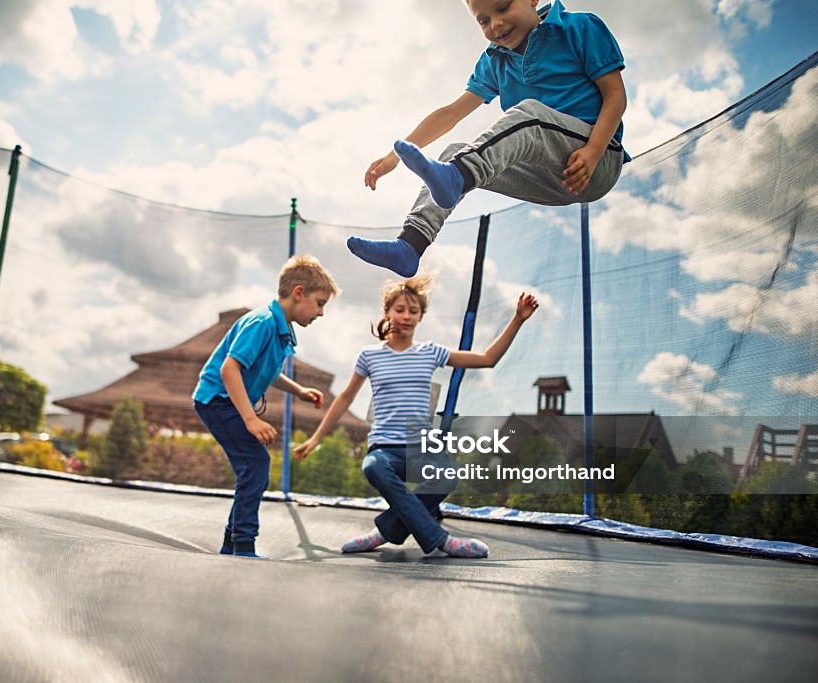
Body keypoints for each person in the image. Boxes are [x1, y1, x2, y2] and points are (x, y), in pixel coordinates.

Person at [348, 0, 629, 277]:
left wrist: (594, 150)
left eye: (504, 7)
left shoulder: (578, 27)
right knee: (454, 153)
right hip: (548, 179)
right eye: (483, 20)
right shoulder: (495, 60)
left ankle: (457, 176)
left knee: (528, 115)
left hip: (598, 160)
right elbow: (451, 113)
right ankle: (409, 246)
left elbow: (615, 95)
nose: (496, 24)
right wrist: (392, 157)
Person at [293, 275, 538, 557]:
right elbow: (345, 398)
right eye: (400, 310)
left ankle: (385, 530)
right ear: (387, 312)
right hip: (384, 448)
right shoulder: (369, 356)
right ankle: (442, 541)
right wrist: (315, 439)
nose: (406, 316)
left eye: (413, 311)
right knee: (373, 467)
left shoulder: (429, 353)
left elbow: (487, 359)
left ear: (421, 316)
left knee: (447, 473)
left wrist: (518, 319)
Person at [193, 255, 339, 558]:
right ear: (298, 293)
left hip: (225, 402)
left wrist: (298, 390)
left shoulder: (279, 328)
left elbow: (268, 370)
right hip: (217, 400)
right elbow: (229, 370)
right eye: (320, 303)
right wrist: (250, 420)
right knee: (256, 465)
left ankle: (232, 543)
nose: (321, 313)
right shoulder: (261, 323)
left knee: (253, 467)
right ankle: (242, 545)